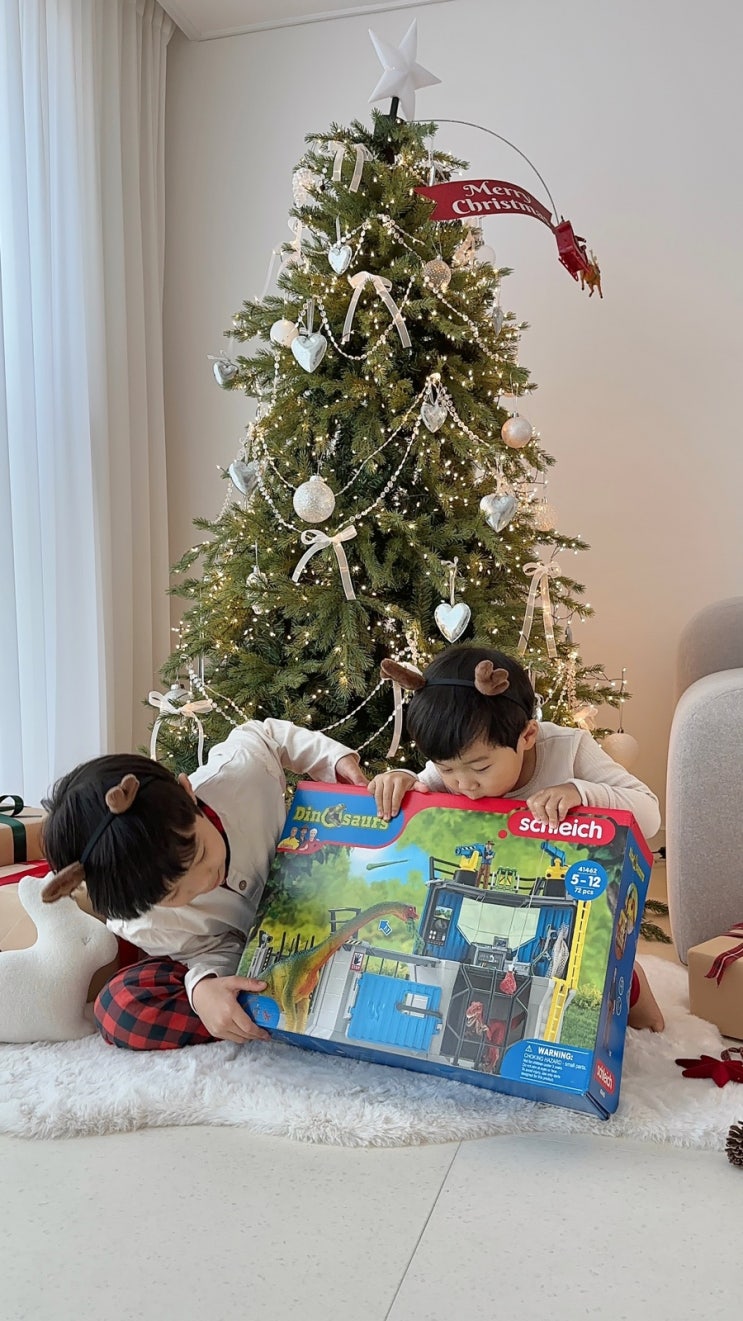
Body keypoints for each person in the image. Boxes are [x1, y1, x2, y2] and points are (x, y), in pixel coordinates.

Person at [369, 645, 664, 1032]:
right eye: (447, 769)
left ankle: (636, 985)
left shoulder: (568, 749)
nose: (464, 784)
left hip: (558, 883)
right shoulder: (456, 766)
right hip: (485, 896)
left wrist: (580, 791)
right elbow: (422, 789)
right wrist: (403, 779)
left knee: (612, 982)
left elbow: (649, 814)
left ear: (527, 735)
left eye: (481, 768)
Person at [41, 719, 366, 1050]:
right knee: (119, 1007)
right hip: (250, 955)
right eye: (173, 894)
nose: (204, 881)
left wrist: (334, 761)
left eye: (199, 854)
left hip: (322, 890)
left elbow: (267, 734)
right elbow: (211, 949)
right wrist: (202, 989)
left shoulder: (239, 775)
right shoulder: (141, 920)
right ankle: (247, 1013)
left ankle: (262, 1009)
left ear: (187, 792)